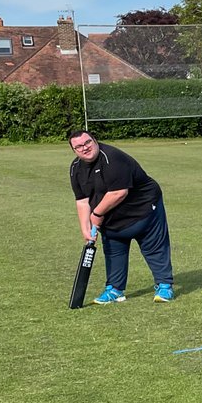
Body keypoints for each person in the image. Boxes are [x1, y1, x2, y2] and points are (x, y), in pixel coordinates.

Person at [67, 129, 175, 303]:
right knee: (114, 249)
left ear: (95, 140)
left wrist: (96, 214)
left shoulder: (112, 157)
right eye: (79, 146)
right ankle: (115, 289)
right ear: (74, 151)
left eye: (87, 142)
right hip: (113, 217)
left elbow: (118, 193)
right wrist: (85, 228)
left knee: (153, 246)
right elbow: (82, 200)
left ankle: (164, 286)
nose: (85, 148)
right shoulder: (75, 169)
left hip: (143, 208)